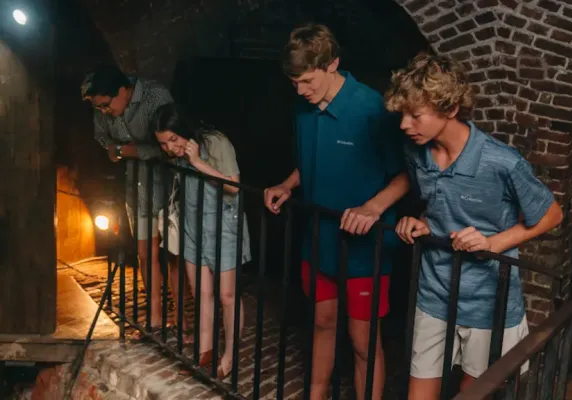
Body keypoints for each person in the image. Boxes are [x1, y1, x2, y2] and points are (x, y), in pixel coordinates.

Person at [385, 52, 564, 399]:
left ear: (450, 110)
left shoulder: (501, 161)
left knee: (474, 393)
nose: (405, 124)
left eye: (415, 114)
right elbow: (438, 206)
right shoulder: (416, 153)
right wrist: (419, 223)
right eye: (402, 114)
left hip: (487, 299)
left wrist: (496, 242)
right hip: (434, 292)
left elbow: (552, 214)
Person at [263, 24, 409, 400]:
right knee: (322, 323)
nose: (300, 90)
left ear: (333, 64)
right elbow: (312, 160)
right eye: (294, 82)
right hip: (318, 239)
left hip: (365, 249)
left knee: (363, 342)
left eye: (308, 81)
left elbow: (408, 175)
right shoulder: (303, 106)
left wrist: (373, 207)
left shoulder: (372, 108)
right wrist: (288, 184)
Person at [81, 65, 188, 338]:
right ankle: (154, 321)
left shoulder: (155, 96)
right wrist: (121, 151)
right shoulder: (102, 109)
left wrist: (127, 150)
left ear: (122, 91)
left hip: (168, 186)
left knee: (173, 254)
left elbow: (171, 142)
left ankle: (181, 318)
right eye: (99, 108)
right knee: (145, 253)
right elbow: (103, 139)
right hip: (136, 185)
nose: (103, 112)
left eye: (106, 105)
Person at [153, 103, 251, 379]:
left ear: (185, 129)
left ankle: (230, 355)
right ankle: (205, 353)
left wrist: (198, 163)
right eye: (163, 143)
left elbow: (234, 187)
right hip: (193, 224)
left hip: (223, 224)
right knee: (201, 293)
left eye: (174, 139)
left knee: (227, 296)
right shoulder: (176, 153)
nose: (170, 147)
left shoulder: (216, 142)